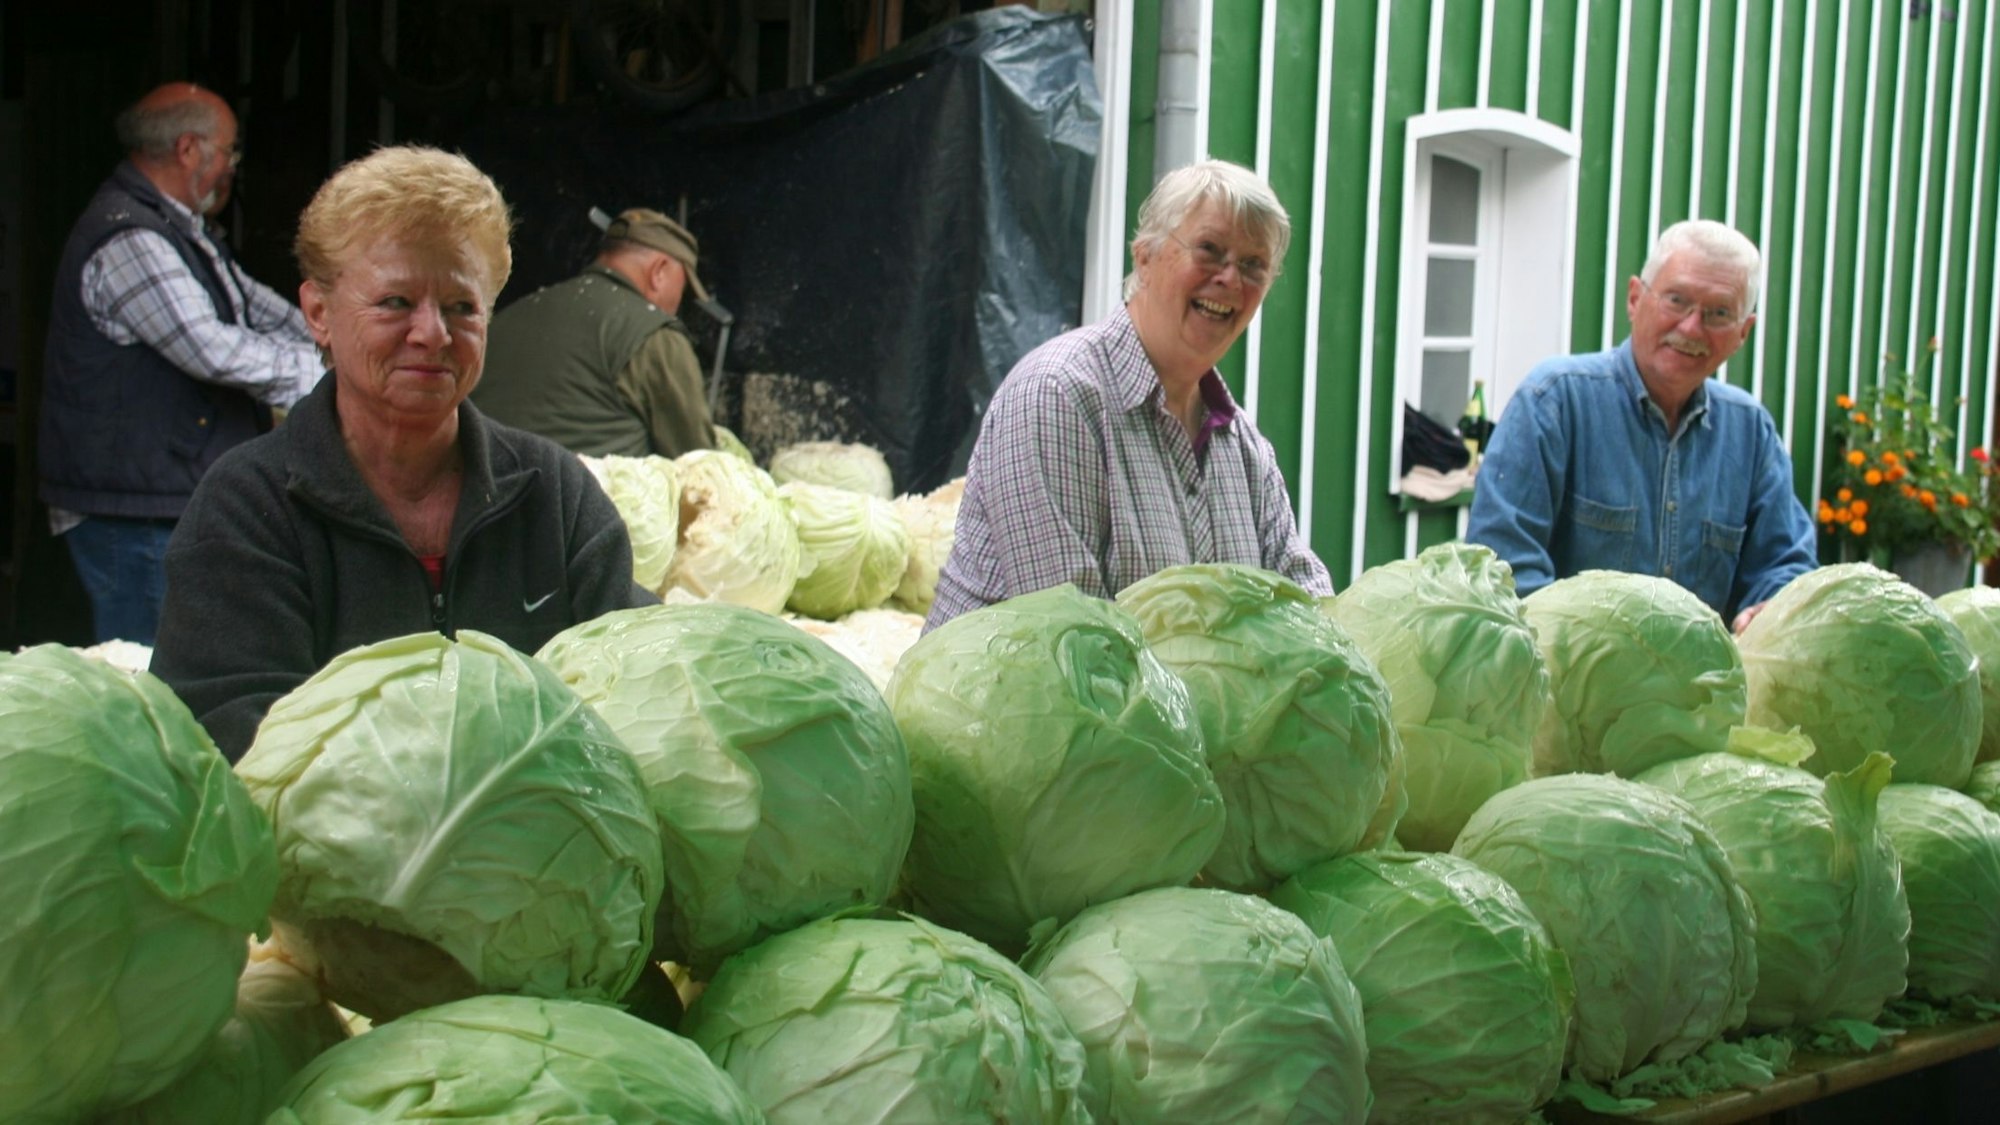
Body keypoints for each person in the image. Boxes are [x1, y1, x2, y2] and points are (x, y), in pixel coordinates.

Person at [151, 146, 657, 760]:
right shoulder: (249, 505)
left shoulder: (553, 492)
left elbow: (637, 676)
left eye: (461, 307)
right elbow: (225, 733)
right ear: (318, 313)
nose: (433, 333)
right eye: (395, 302)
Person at [926, 159, 1332, 631]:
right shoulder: (1057, 395)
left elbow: (1306, 604)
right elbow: (1074, 636)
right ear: (1145, 256)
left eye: (1253, 265)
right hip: (1001, 699)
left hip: (1164, 705)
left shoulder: (1241, 447)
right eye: (1209, 250)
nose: (1230, 280)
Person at [39, 82, 323, 645]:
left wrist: (337, 337)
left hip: (155, 501)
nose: (231, 168)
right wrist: (328, 373)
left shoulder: (181, 232)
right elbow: (211, 347)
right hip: (132, 515)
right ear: (190, 150)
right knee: (148, 686)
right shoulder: (130, 236)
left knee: (174, 677)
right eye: (229, 152)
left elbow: (256, 306)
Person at [1466, 219, 1816, 633]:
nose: (1691, 327)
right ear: (1635, 298)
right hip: (1567, 687)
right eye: (1676, 299)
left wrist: (1770, 606)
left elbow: (1785, 564)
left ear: (1743, 331)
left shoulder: (1751, 432)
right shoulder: (1554, 401)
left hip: (1704, 694)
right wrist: (1607, 656)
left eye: (1719, 312)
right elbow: (1503, 565)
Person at [472, 208, 717, 458]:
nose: (677, 306)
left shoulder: (506, 317)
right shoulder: (656, 336)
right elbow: (696, 463)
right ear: (659, 271)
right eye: (683, 289)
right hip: (584, 494)